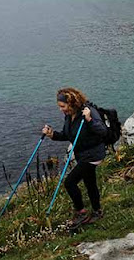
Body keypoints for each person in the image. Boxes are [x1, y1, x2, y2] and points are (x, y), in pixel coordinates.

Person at [42, 87, 108, 227]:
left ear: (71, 103)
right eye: (59, 106)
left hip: (93, 154)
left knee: (70, 182)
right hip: (82, 154)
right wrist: (52, 134)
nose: (61, 109)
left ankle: (81, 212)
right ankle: (97, 212)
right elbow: (68, 135)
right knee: (90, 183)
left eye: (62, 106)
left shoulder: (88, 112)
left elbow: (102, 131)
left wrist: (89, 119)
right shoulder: (69, 115)